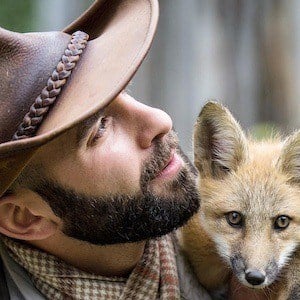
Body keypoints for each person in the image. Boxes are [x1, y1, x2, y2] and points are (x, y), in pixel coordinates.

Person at [0, 0, 212, 299]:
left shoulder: (247, 262)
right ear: (25, 216)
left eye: (124, 90)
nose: (160, 120)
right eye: (100, 128)